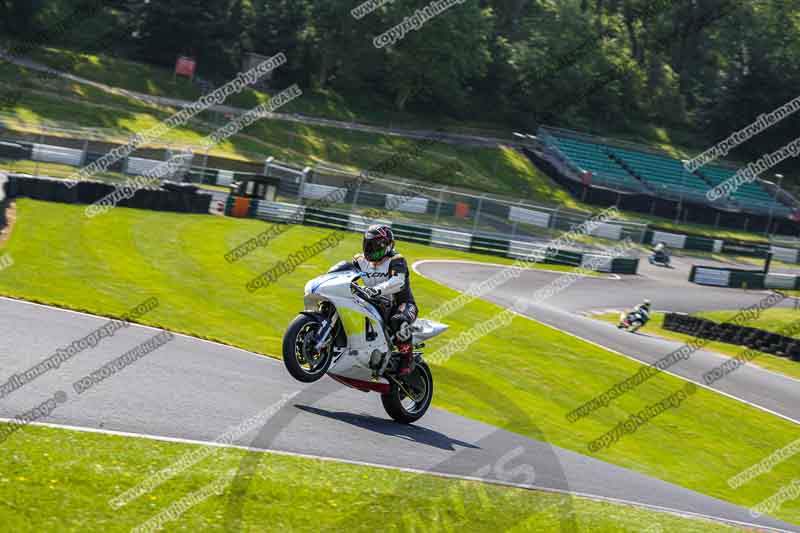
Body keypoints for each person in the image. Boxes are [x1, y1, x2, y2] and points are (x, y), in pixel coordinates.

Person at [350, 224, 418, 376]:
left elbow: (398, 282)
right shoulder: (359, 260)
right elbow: (345, 273)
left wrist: (377, 290)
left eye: (375, 245)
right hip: (374, 303)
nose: (370, 249)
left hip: (402, 305)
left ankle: (408, 359)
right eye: (368, 244)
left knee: (398, 320)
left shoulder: (396, 260)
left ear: (388, 245)